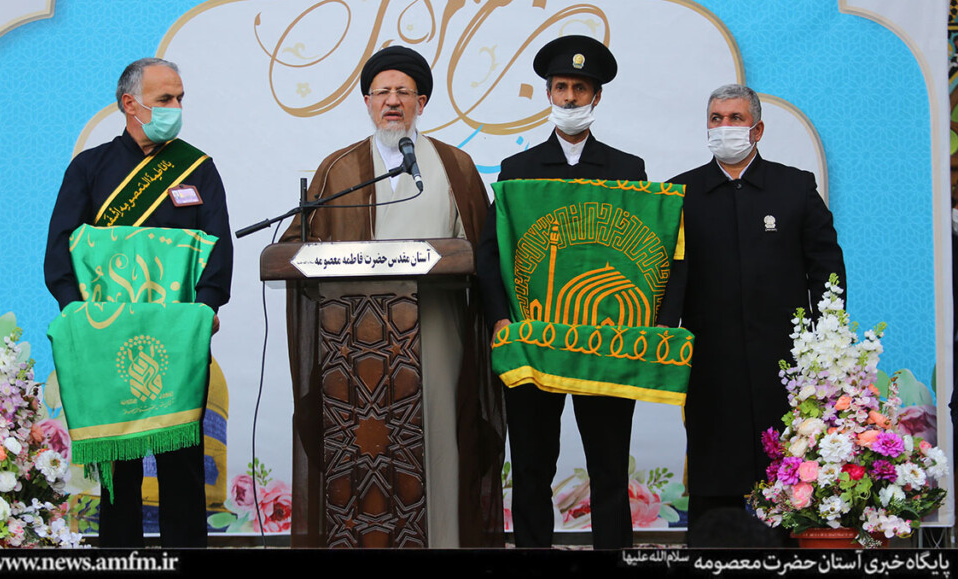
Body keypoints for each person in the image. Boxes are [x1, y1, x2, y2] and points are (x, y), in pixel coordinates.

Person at [279, 45, 504, 547]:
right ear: (367, 102)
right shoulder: (338, 169)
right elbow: (298, 247)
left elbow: (484, 252)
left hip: (439, 333)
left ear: (421, 103)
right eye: (382, 92)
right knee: (362, 450)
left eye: (404, 92)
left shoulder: (455, 165)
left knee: (440, 441)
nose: (393, 101)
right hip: (353, 346)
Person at [44, 57, 233, 547]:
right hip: (108, 340)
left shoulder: (197, 168)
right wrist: (74, 310)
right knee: (119, 472)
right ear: (130, 104)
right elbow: (61, 247)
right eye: (164, 99)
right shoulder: (89, 168)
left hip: (179, 340)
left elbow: (218, 245)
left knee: (183, 468)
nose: (175, 108)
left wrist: (207, 307)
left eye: (180, 98)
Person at [657, 83, 845, 545]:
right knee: (713, 472)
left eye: (735, 118)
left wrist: (825, 342)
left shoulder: (795, 186)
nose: (725, 127)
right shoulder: (679, 192)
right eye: (716, 118)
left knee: (785, 475)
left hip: (783, 365)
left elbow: (826, 267)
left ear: (757, 129)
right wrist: (662, 338)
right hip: (709, 362)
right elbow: (665, 277)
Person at [477, 35, 645, 549]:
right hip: (535, 339)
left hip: (606, 341)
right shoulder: (517, 171)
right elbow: (490, 253)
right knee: (531, 467)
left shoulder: (627, 170)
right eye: (561, 87)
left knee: (609, 467)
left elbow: (646, 255)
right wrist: (500, 318)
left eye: (580, 88)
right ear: (548, 94)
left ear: (597, 96)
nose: (570, 98)